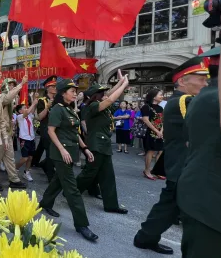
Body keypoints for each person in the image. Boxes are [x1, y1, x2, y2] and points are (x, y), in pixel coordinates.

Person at [134, 56, 209, 255]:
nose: (205, 82)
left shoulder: (179, 100)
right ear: (183, 81)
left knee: (169, 206)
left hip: (182, 164)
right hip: (184, 165)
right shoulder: (184, 100)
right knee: (173, 207)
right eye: (200, 78)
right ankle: (145, 237)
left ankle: (145, 237)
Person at [177, 45, 221, 257]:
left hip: (206, 195)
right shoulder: (220, 99)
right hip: (215, 203)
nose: (202, 81)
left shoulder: (208, 97)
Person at [38, 78, 98, 242]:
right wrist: (62, 150)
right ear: (63, 93)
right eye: (72, 91)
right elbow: (51, 131)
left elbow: (74, 132)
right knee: (72, 189)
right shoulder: (58, 109)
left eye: (75, 91)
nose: (75, 93)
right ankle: (81, 225)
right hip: (61, 153)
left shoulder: (69, 109)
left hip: (71, 152)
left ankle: (45, 202)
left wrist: (85, 148)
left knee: (59, 180)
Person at [76, 72, 129, 215]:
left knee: (107, 176)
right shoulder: (92, 106)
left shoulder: (102, 107)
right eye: (102, 93)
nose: (106, 94)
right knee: (89, 173)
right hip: (96, 145)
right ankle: (72, 192)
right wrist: (123, 84)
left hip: (103, 146)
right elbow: (110, 99)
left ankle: (111, 205)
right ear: (96, 96)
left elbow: (110, 97)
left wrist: (121, 83)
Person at [0, 77, 28, 190]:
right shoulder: (1, 98)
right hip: (0, 134)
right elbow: (7, 99)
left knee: (10, 157)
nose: (12, 87)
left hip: (8, 133)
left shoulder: (12, 101)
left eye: (13, 85)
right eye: (9, 85)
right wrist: (21, 84)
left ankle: (14, 179)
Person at [31, 76, 57, 180]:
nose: (55, 88)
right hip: (46, 129)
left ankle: (39, 163)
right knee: (50, 153)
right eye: (53, 86)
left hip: (57, 129)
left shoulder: (58, 99)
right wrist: (47, 107)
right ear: (48, 88)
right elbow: (40, 117)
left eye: (55, 86)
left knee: (52, 151)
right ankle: (50, 176)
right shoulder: (42, 100)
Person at [141, 88, 164, 180]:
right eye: (160, 95)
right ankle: (147, 170)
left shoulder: (161, 108)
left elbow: (163, 121)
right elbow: (145, 120)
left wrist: (161, 131)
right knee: (150, 151)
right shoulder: (146, 107)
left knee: (160, 151)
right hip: (150, 132)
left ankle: (157, 171)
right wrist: (156, 131)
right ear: (154, 97)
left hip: (160, 133)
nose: (162, 96)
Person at [14, 98, 39, 182]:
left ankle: (26, 172)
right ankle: (15, 169)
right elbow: (27, 112)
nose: (27, 108)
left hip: (31, 138)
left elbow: (32, 110)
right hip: (24, 139)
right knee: (25, 158)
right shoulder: (20, 117)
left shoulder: (30, 116)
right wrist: (33, 103)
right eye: (24, 108)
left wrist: (34, 100)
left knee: (30, 157)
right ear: (20, 111)